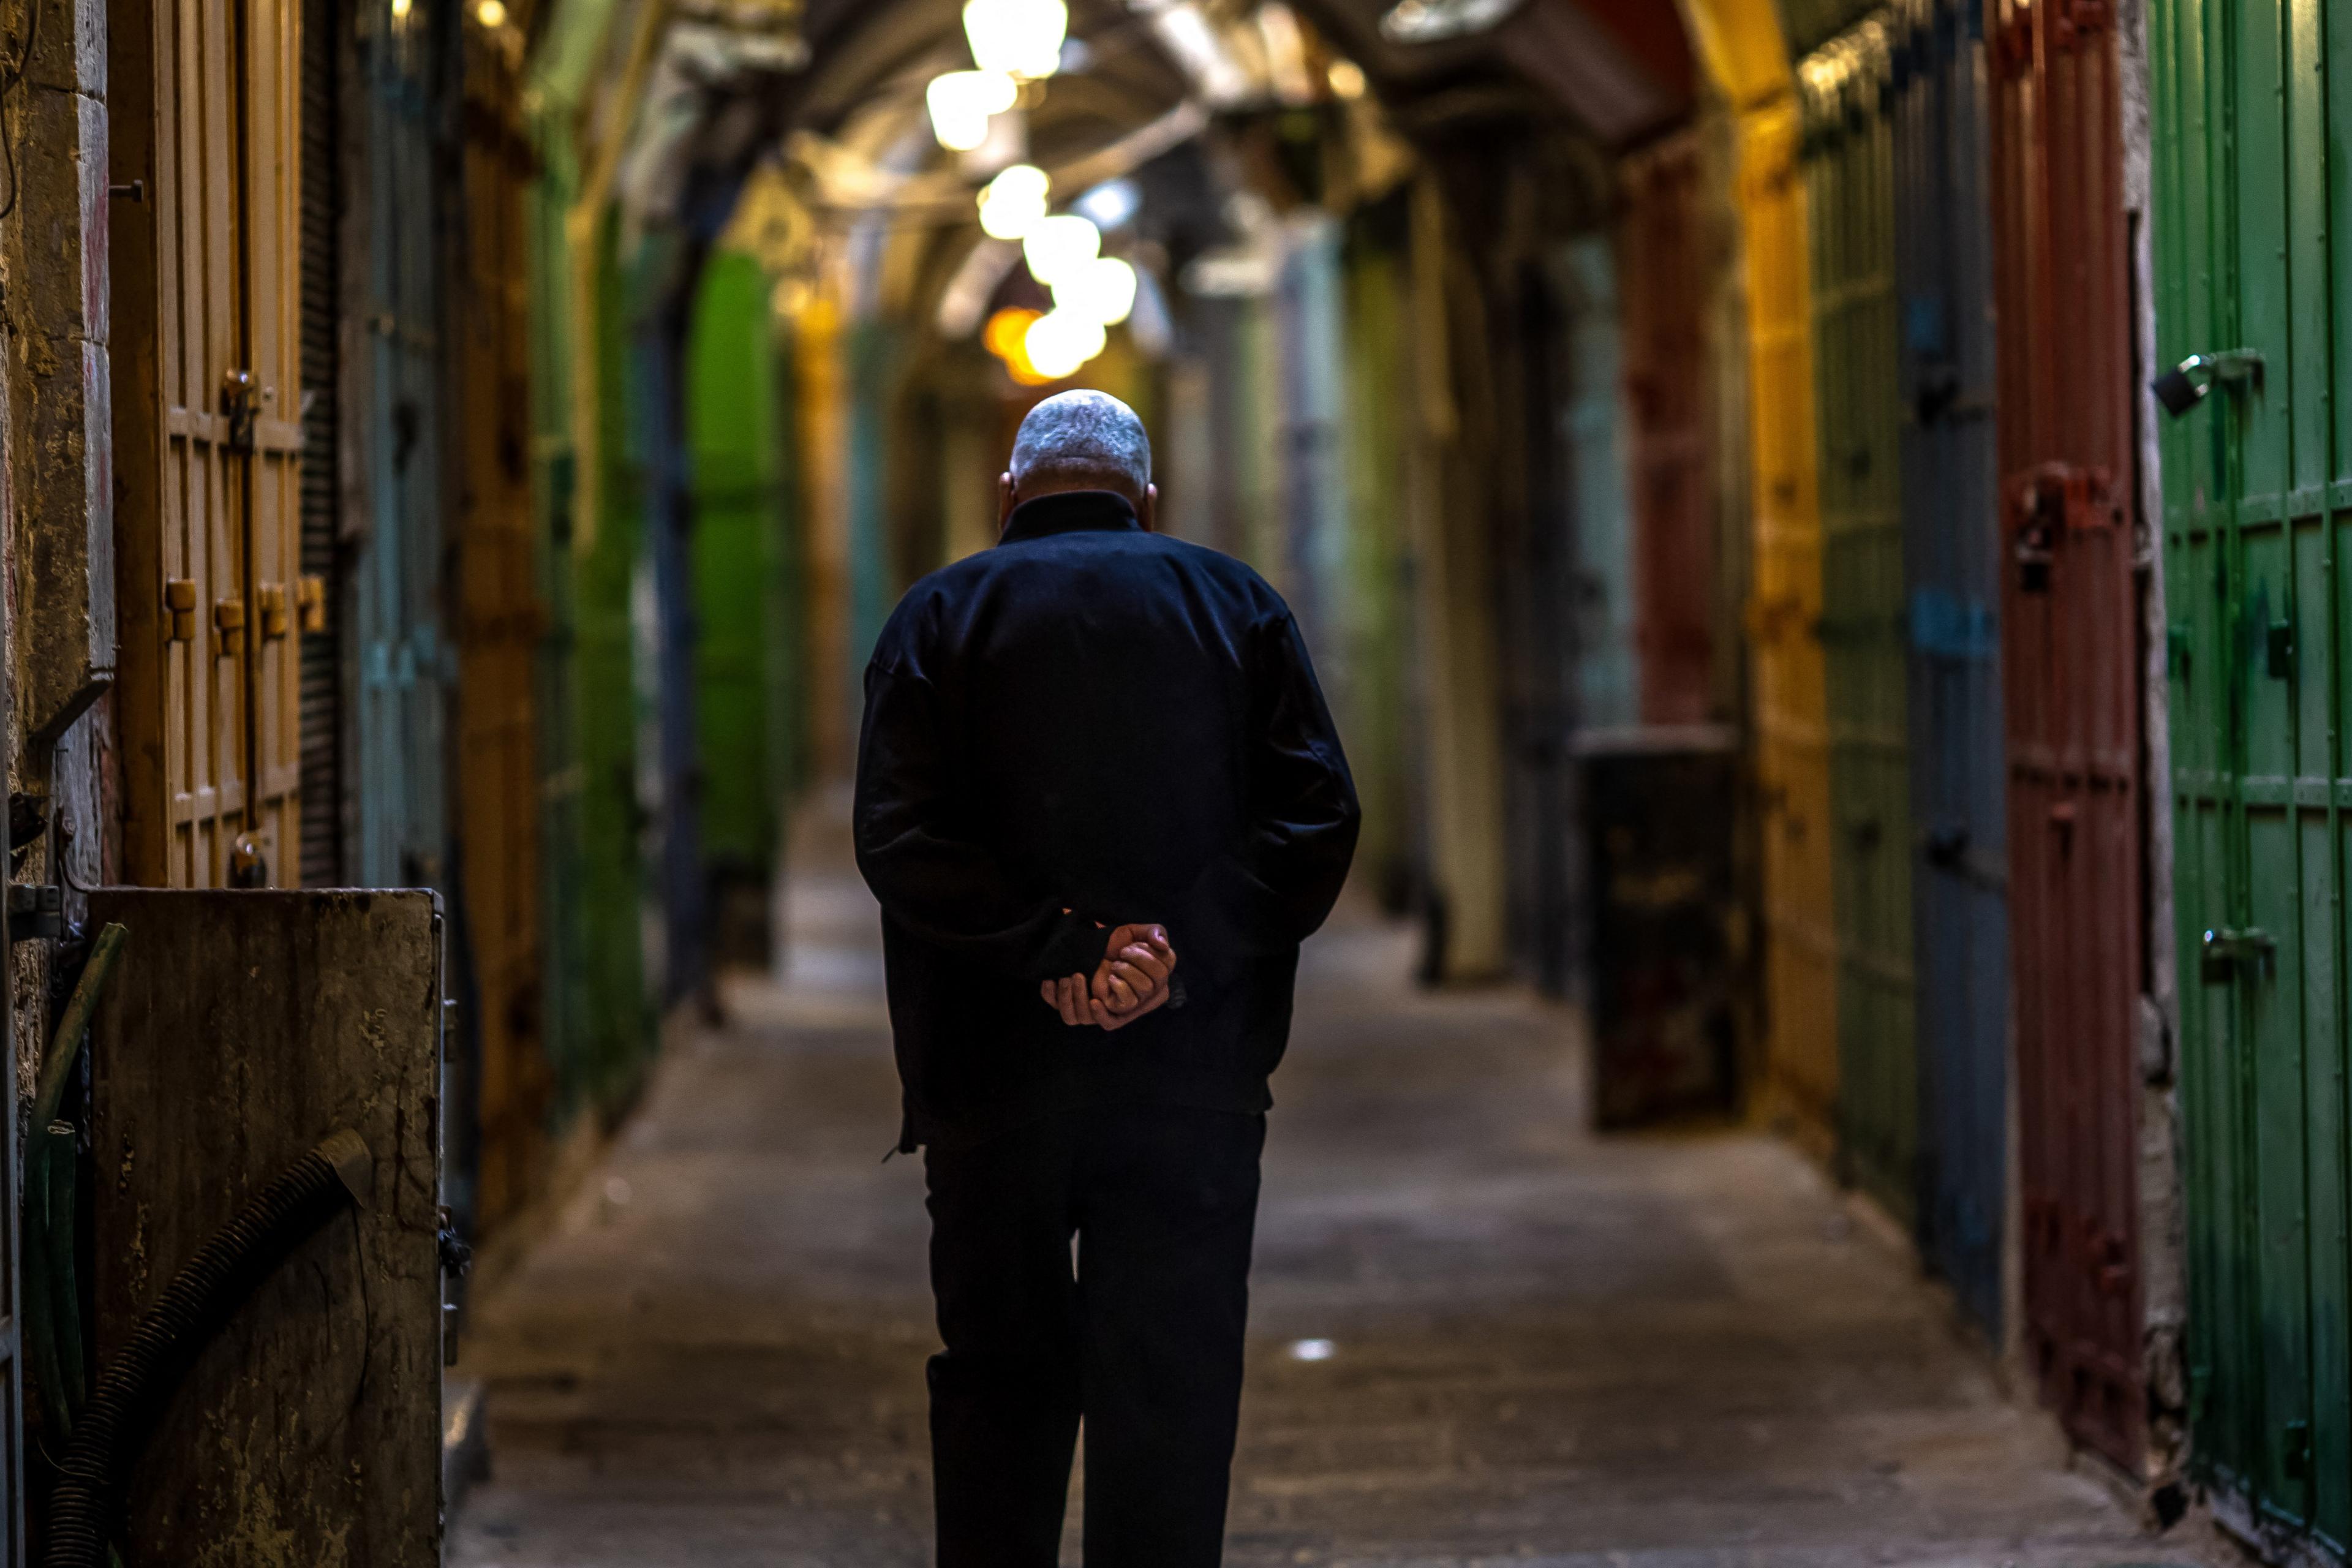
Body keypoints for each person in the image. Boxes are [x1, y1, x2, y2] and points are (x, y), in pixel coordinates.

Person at [853, 389, 1360, 1566]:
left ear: (1006, 494)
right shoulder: (1238, 606)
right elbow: (1314, 821)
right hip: (1189, 1084)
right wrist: (1164, 953)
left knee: (998, 1388)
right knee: (1172, 1392)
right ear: (1146, 498)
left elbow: (900, 842)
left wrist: (1061, 949)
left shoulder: (937, 617)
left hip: (992, 1087)